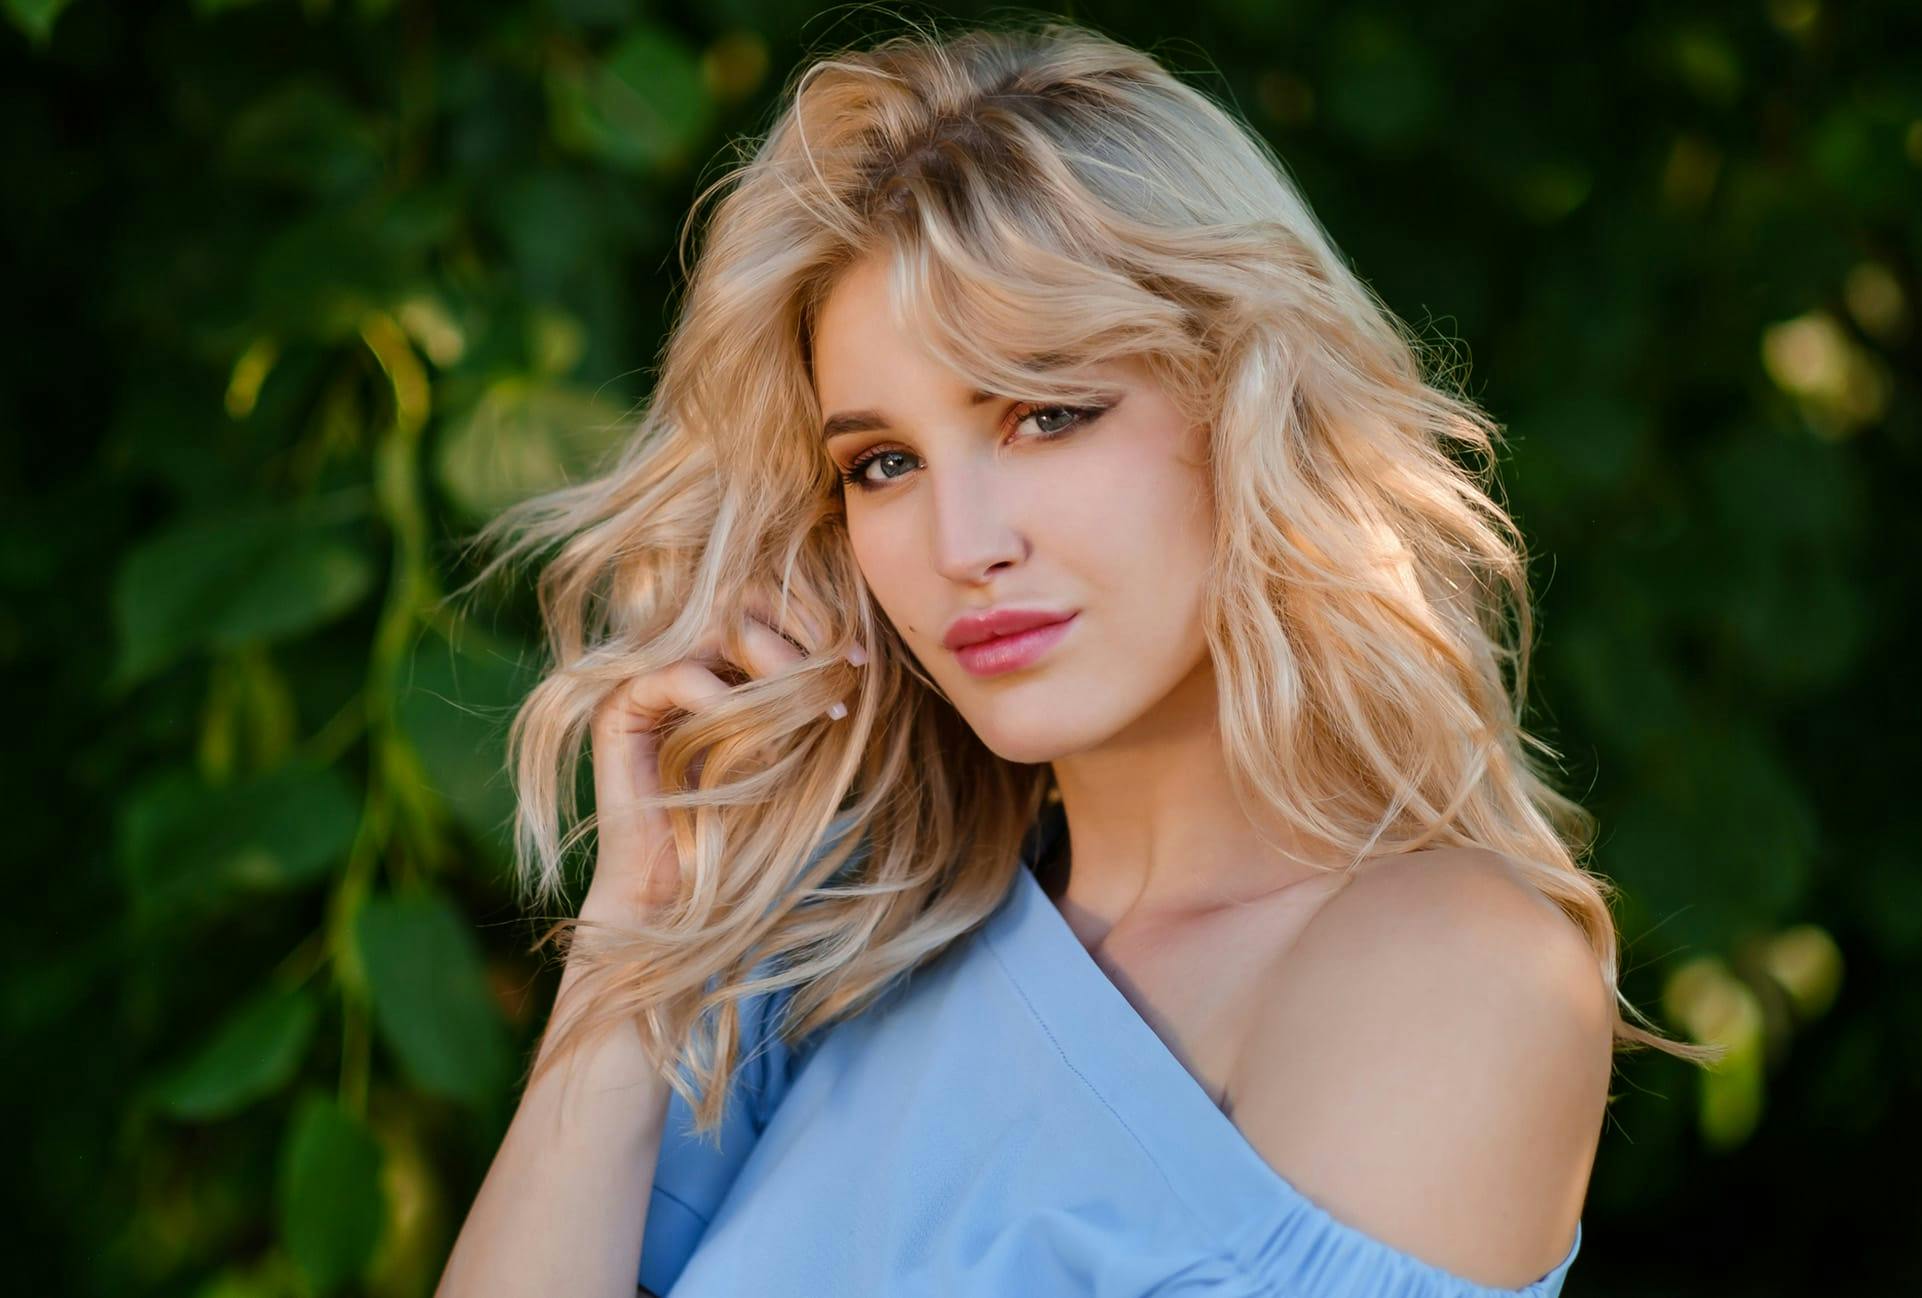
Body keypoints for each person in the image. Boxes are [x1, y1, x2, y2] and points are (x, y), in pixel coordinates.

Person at [435, 18, 1719, 1298]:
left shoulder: (1451, 970)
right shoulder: (821, 962)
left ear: (1248, 401)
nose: (962, 542)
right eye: (882, 463)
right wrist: (633, 947)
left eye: (1047, 413)